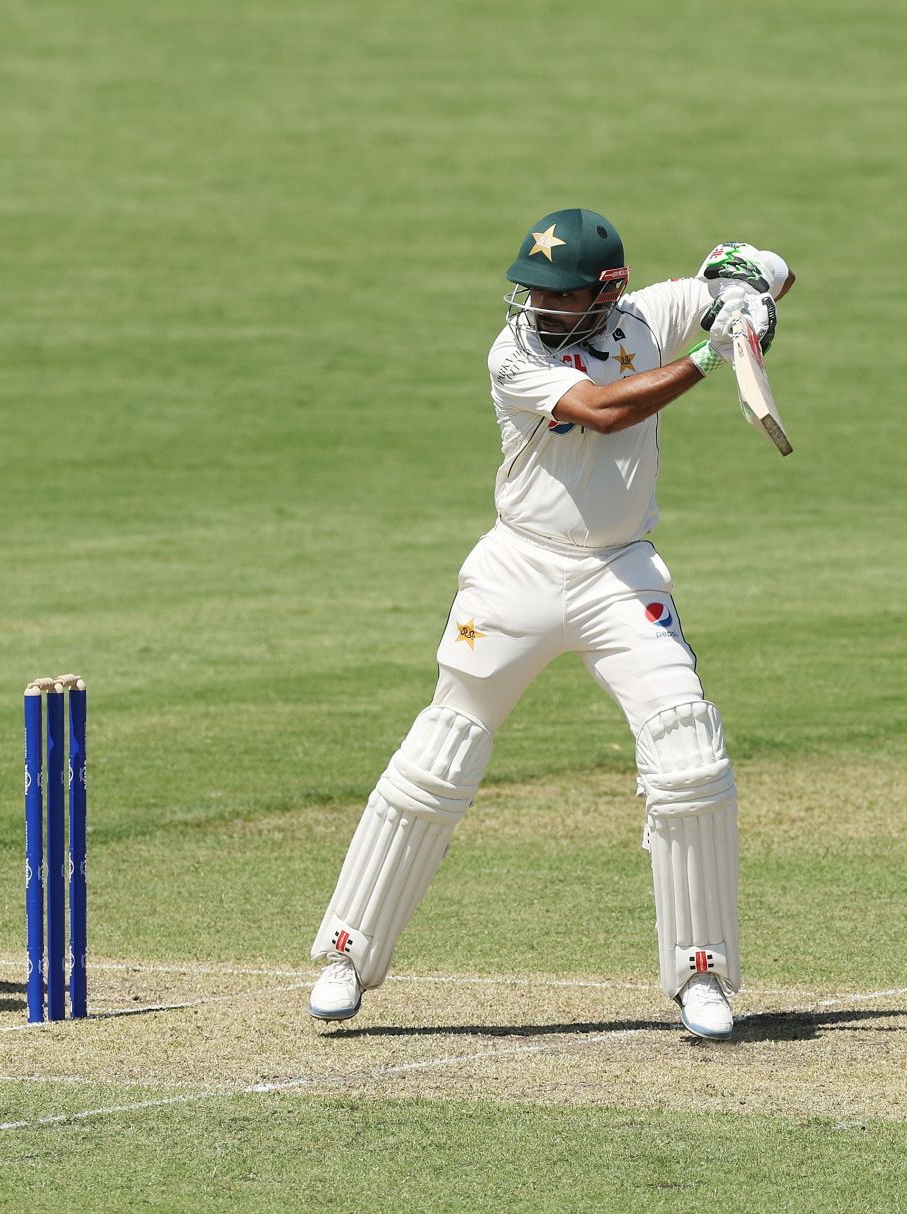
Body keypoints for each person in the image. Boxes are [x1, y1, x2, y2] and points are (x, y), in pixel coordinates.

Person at [307, 209, 791, 1039]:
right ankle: (346, 953)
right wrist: (714, 355)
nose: (535, 303)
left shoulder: (649, 313)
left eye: (556, 293)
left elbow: (765, 267)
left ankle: (701, 972)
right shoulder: (514, 355)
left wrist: (749, 300)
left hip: (619, 572)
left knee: (689, 751)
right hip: (516, 572)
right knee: (442, 749)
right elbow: (604, 411)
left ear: (607, 292)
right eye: (529, 287)